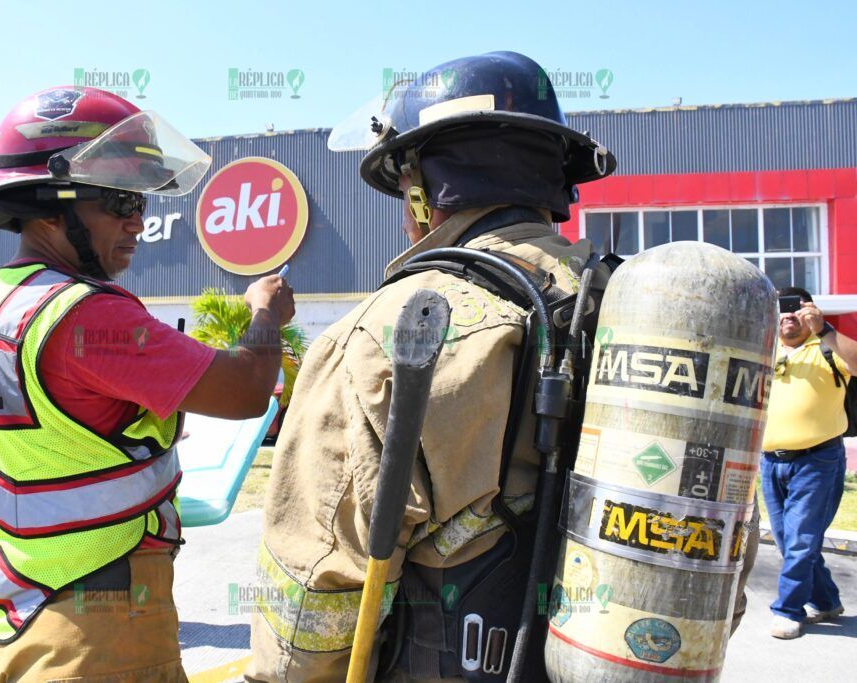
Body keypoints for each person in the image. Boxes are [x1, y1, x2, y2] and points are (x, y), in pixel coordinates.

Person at [247, 51, 619, 682]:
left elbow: (316, 583)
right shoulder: (634, 309)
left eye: (403, 189)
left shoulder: (392, 330)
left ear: (422, 189)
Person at [0, 86, 294, 681]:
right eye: (118, 200)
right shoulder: (86, 314)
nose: (139, 220)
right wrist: (265, 314)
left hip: (19, 606)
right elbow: (242, 392)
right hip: (98, 626)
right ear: (50, 204)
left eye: (140, 201)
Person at [761, 286, 855, 639]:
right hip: (771, 461)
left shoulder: (826, 348)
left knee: (801, 540)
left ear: (810, 311)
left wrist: (825, 329)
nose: (788, 315)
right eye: (782, 309)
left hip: (818, 459)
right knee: (790, 541)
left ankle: (787, 610)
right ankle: (827, 601)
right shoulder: (767, 350)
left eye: (796, 309)